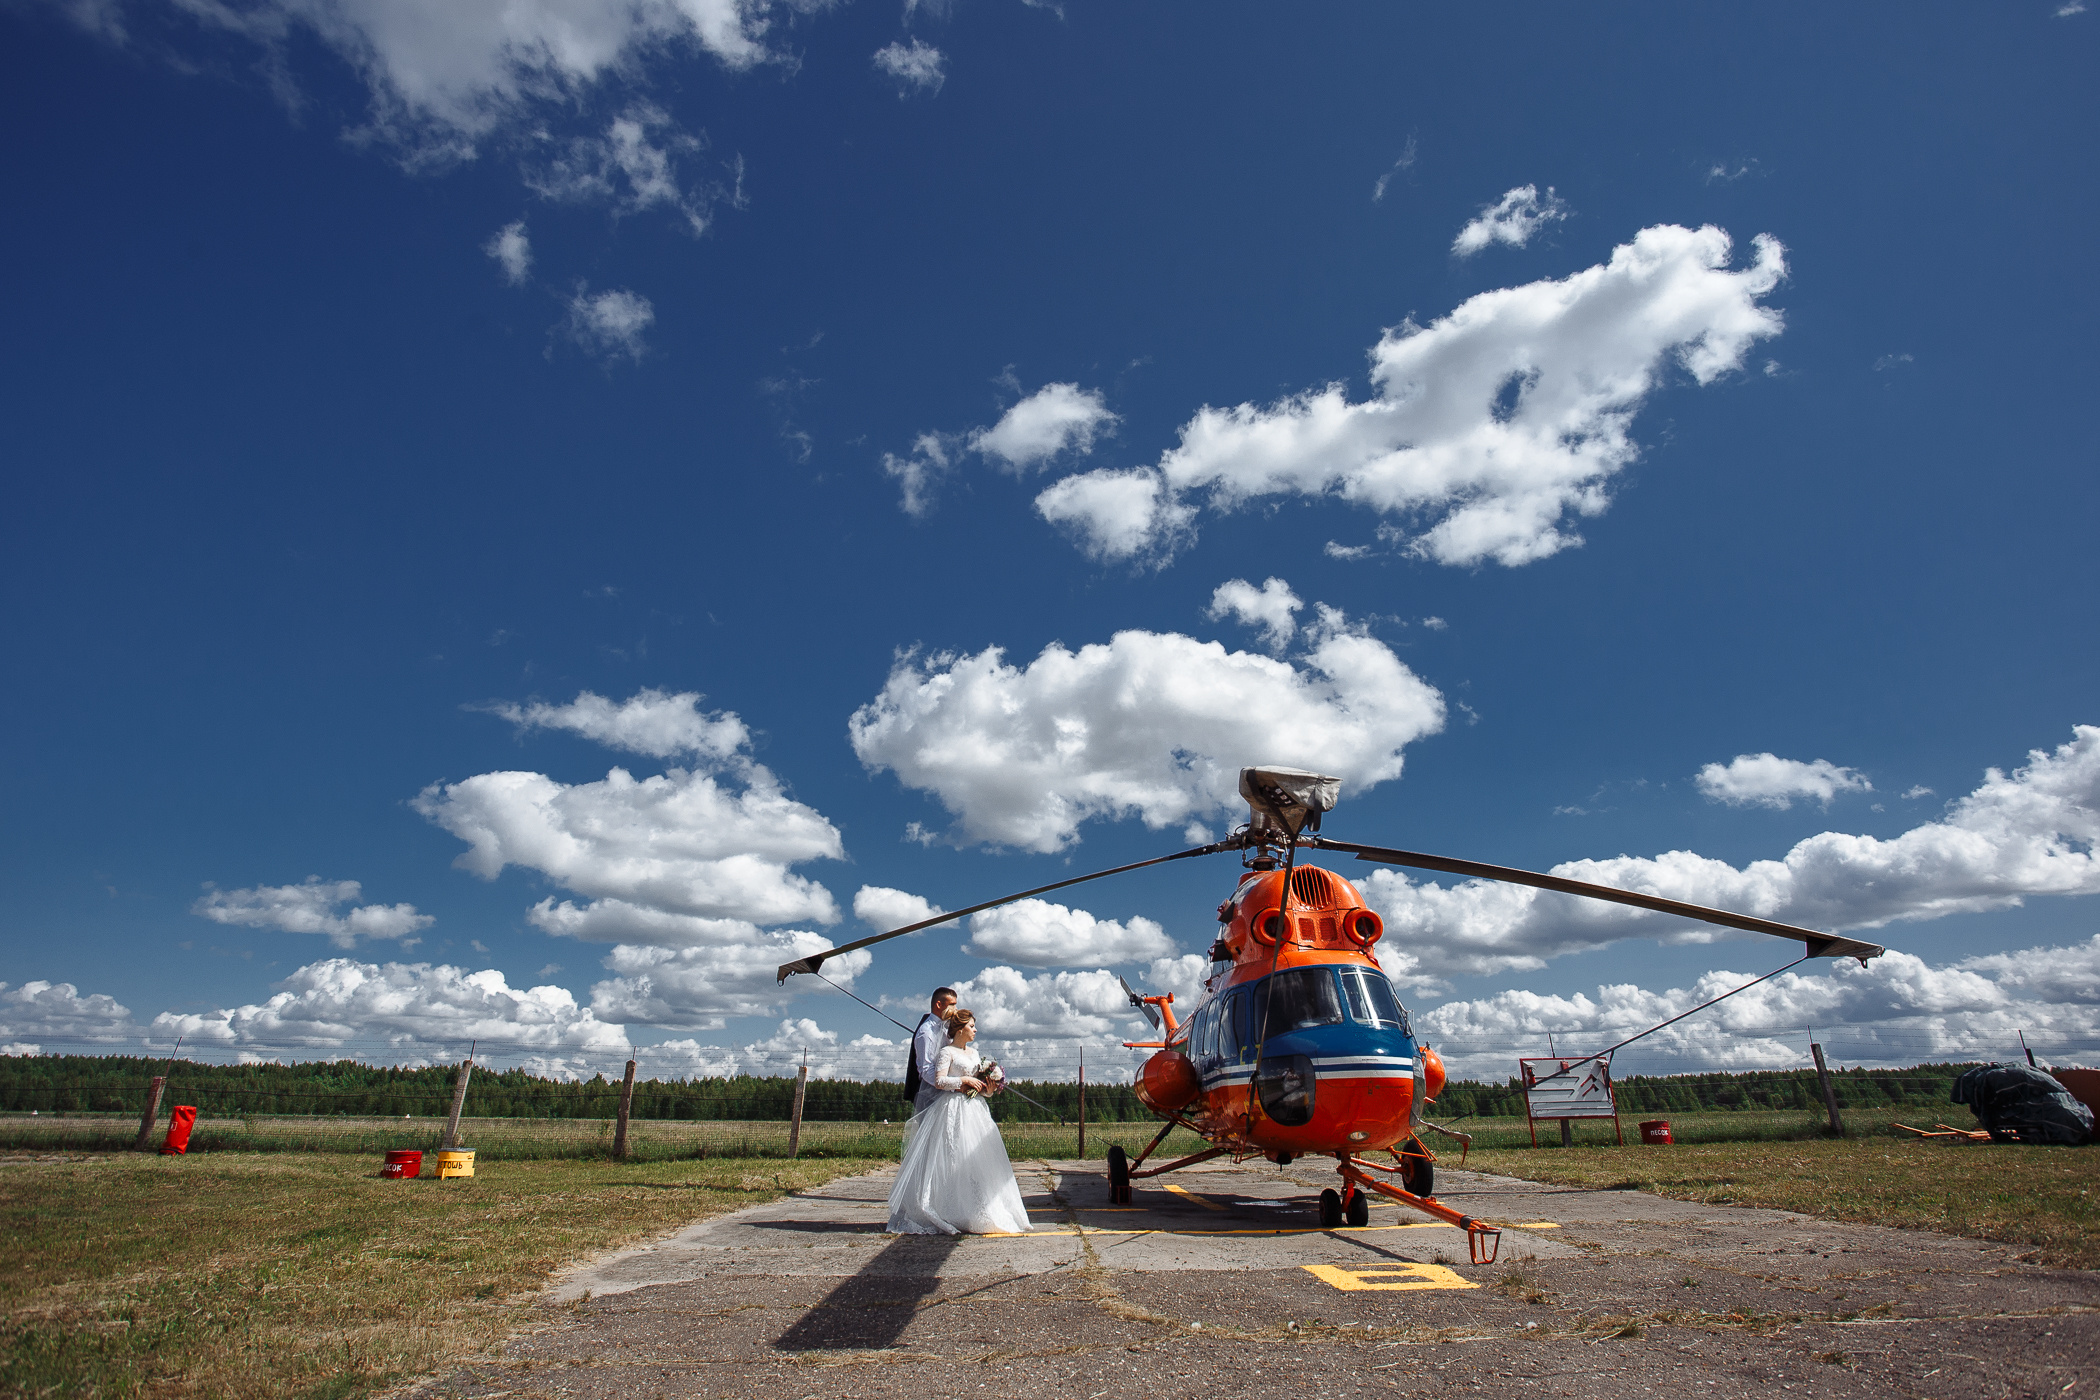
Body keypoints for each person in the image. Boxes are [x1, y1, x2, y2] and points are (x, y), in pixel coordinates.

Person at [887, 1008, 1032, 1235]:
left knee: (976, 1159)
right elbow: (939, 1080)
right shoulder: (947, 1052)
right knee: (952, 1157)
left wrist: (990, 1088)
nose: (975, 1030)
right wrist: (963, 1079)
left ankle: (978, 1211)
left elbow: (980, 1089)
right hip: (951, 1109)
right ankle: (949, 1210)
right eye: (972, 1026)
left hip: (975, 1110)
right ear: (960, 1028)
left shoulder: (974, 1054)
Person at [905, 987, 958, 1115]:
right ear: (939, 1005)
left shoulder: (946, 1027)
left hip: (945, 1093)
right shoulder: (926, 1032)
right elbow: (926, 1069)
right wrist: (953, 1085)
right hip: (930, 1095)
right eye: (952, 1005)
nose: (955, 1010)